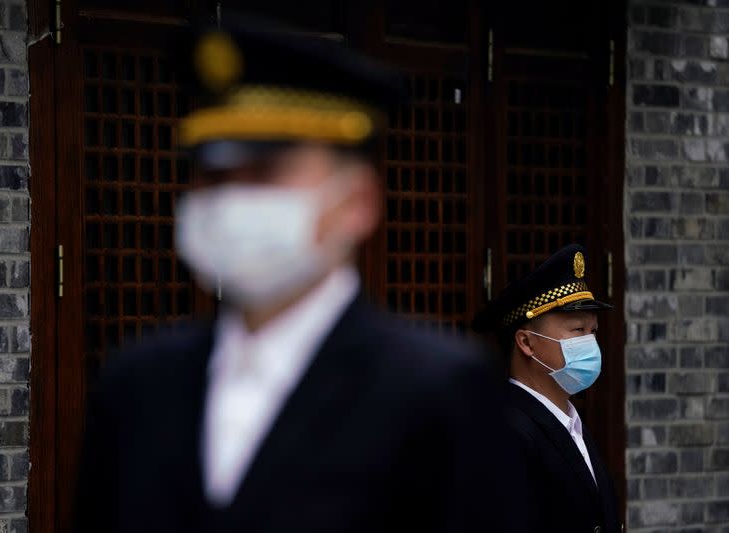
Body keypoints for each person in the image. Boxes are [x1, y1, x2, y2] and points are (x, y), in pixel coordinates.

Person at [73, 16, 514, 533]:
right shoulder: (138, 384)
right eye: (215, 176)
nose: (233, 200)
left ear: (358, 202)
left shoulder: (438, 391)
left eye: (266, 173)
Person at [472, 244, 621, 533]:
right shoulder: (507, 431)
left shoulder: (570, 424)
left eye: (593, 332)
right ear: (526, 343)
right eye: (578, 331)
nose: (590, 343)